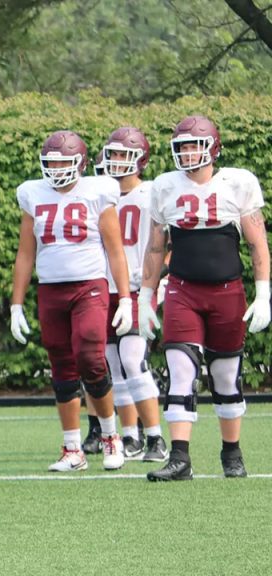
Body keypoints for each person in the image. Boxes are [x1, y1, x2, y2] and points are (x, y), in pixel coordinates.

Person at [138, 115, 270, 481]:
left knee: (226, 377)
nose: (188, 152)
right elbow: (154, 247)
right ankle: (179, 457)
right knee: (181, 370)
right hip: (183, 289)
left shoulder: (238, 182)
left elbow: (258, 242)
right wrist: (145, 297)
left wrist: (264, 294)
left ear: (213, 147)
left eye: (195, 144)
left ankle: (232, 453)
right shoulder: (165, 186)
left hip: (227, 291)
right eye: (182, 146)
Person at [10, 130, 134, 472]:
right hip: (50, 289)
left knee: (90, 355)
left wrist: (124, 298)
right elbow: (25, 253)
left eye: (63, 162)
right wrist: (16, 304)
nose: (56, 169)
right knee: (61, 367)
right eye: (51, 163)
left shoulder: (97, 192)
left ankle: (111, 436)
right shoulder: (32, 193)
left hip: (89, 286)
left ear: (79, 163)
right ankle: (72, 448)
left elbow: (115, 250)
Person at [99, 127, 168, 462]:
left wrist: (157, 277)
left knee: (132, 359)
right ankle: (130, 437)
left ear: (141, 158)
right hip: (104, 287)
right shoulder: (100, 193)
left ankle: (155, 438)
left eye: (124, 154)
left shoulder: (153, 192)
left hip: (139, 287)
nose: (116, 160)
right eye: (112, 154)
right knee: (113, 363)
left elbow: (171, 239)